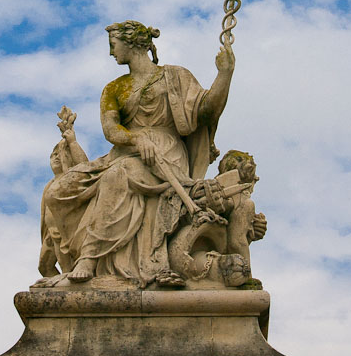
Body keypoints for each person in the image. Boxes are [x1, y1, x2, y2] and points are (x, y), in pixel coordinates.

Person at [42, 20, 235, 287]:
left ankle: (89, 256)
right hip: (124, 152)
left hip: (165, 155)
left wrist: (224, 74)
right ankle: (73, 257)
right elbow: (111, 130)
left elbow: (206, 110)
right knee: (58, 190)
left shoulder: (176, 76)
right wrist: (135, 139)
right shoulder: (114, 88)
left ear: (131, 43)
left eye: (113, 45)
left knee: (118, 177)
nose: (111, 53)